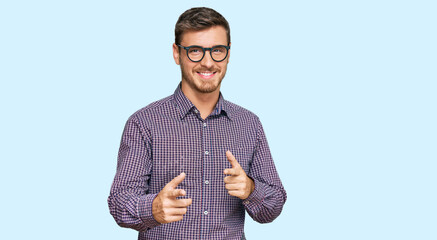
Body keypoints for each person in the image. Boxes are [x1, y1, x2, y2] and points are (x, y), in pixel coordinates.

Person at [108, 7, 287, 240]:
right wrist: (152, 208)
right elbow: (119, 202)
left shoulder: (249, 124)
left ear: (228, 54)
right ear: (176, 53)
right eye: (195, 51)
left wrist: (251, 190)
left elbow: (273, 206)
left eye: (217, 51)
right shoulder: (144, 123)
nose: (208, 62)